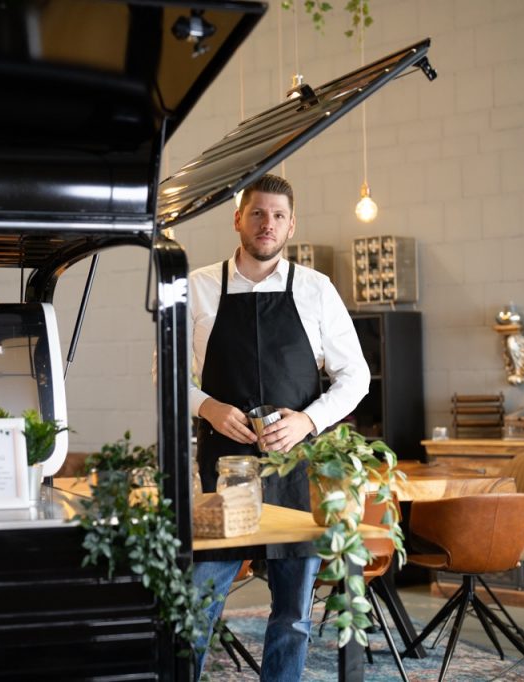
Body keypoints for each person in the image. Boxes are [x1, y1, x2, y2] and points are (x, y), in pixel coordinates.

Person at [189, 174, 370, 681]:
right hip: (225, 472)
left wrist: (307, 419)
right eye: (258, 213)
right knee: (197, 602)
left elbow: (355, 377)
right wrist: (206, 407)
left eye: (278, 215)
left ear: (291, 225)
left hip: (297, 470)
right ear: (238, 219)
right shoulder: (199, 286)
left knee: (292, 614)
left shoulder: (316, 289)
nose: (267, 224)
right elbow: (165, 372)